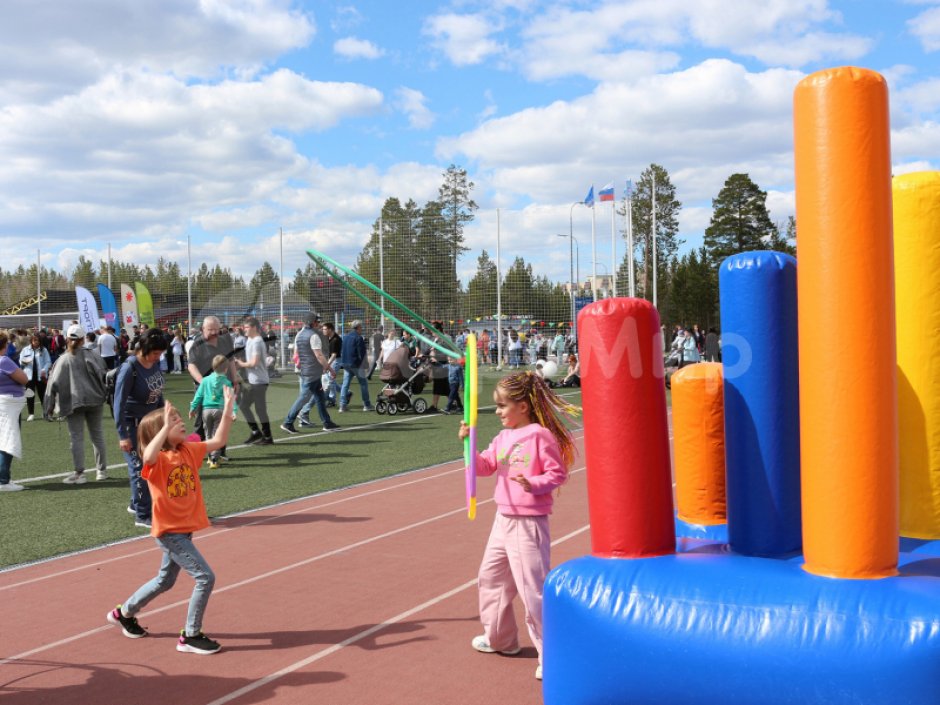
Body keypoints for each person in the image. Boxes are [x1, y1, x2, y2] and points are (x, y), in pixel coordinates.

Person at [457, 370, 579, 682]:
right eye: (496, 406)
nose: (497, 412)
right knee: (490, 578)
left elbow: (558, 473)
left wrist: (533, 482)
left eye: (502, 406)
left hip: (528, 522)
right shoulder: (503, 437)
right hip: (503, 519)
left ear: (522, 406)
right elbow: (485, 467)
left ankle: (551, 655)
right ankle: (501, 639)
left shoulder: (539, 435)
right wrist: (469, 443)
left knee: (532, 590)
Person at [106, 388, 234, 655]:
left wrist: (228, 408)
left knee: (165, 581)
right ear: (160, 432)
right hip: (169, 532)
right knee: (205, 578)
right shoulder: (158, 461)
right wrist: (165, 427)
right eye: (173, 420)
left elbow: (219, 439)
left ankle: (124, 613)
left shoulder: (188, 450)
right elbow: (148, 455)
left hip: (184, 531)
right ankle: (190, 635)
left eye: (177, 418)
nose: (180, 422)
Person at [114, 328, 168, 528]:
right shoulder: (129, 368)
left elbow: (157, 392)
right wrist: (123, 435)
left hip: (150, 424)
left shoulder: (154, 365)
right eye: (155, 353)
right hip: (132, 425)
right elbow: (118, 403)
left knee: (154, 465)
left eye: (161, 353)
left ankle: (136, 504)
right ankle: (143, 515)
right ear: (145, 349)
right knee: (139, 468)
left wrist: (164, 418)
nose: (158, 357)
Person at [43, 324, 110, 484]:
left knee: (76, 438)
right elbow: (104, 375)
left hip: (74, 402)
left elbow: (52, 384)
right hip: (95, 400)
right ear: (83, 339)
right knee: (97, 435)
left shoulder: (63, 359)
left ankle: (79, 473)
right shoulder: (93, 355)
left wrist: (49, 407)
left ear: (67, 339)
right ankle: (101, 471)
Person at [281, 312, 338, 434]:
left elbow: (297, 354)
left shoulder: (300, 334)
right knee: (303, 398)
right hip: (312, 372)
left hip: (306, 370)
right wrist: (330, 368)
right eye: (317, 322)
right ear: (312, 323)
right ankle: (288, 422)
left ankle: (327, 423)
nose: (318, 324)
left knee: (320, 397)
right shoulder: (313, 336)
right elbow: (318, 355)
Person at [187, 316, 237, 443]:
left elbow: (231, 360)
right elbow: (191, 365)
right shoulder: (197, 344)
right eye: (210, 329)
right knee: (200, 420)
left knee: (223, 419)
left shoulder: (225, 341)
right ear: (203, 329)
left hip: (223, 386)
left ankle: (219, 452)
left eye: (216, 329)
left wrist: (235, 380)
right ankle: (196, 449)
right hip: (205, 387)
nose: (214, 332)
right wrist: (202, 381)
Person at [190, 355, 238, 468]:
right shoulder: (226, 382)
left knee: (208, 433)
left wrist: (192, 408)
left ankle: (209, 457)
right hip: (219, 411)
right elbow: (231, 398)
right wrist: (234, 411)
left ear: (212, 367)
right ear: (226, 369)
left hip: (206, 411)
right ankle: (214, 459)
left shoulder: (205, 380)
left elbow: (198, 396)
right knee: (217, 435)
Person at [234, 317, 273, 445]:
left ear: (254, 328)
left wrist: (240, 363)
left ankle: (267, 437)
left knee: (260, 409)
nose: (243, 329)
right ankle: (256, 432)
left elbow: (254, 362)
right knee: (244, 406)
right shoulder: (250, 339)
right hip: (252, 381)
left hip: (259, 381)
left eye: (246, 327)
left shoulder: (257, 341)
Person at [0, 330, 29, 492]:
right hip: (7, 404)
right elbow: (24, 378)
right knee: (7, 440)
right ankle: (3, 480)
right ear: (4, 345)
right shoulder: (4, 361)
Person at [338, 320, 373, 412]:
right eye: (361, 327)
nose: (362, 328)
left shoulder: (345, 337)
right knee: (363, 384)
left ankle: (342, 405)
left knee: (345, 385)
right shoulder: (358, 337)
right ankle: (366, 404)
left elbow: (343, 350)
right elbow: (361, 352)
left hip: (346, 363)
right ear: (358, 327)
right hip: (356, 364)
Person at [19, 333, 51, 421]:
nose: (35, 342)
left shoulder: (43, 350)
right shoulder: (25, 350)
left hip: (41, 376)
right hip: (29, 376)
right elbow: (20, 362)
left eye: (37, 340)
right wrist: (24, 362)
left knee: (43, 395)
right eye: (34, 340)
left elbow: (48, 362)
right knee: (29, 394)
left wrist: (44, 369)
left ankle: (45, 413)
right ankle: (31, 414)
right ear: (31, 341)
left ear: (40, 341)